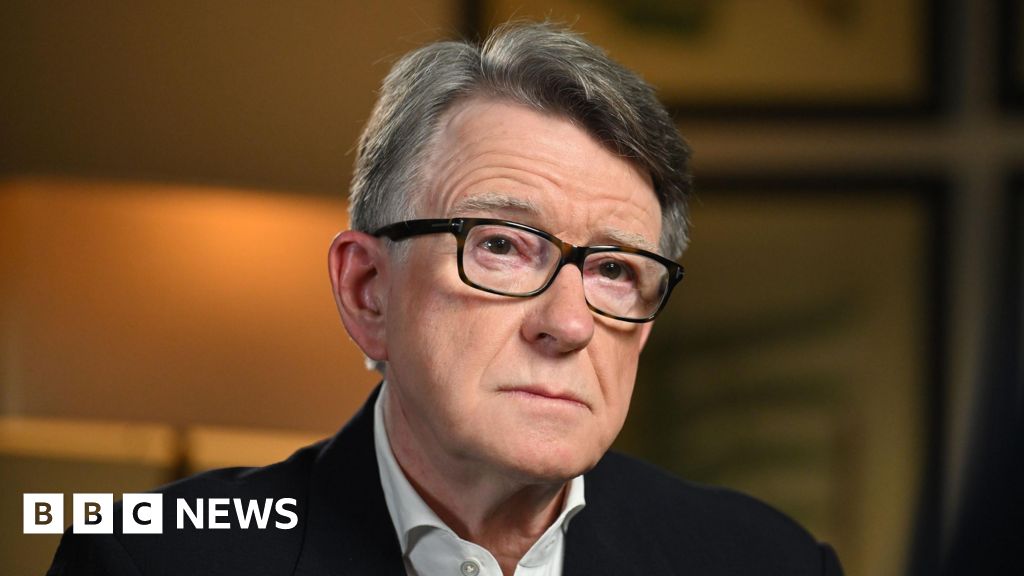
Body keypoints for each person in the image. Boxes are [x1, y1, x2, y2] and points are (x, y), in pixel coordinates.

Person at [48, 21, 843, 575]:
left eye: (613, 270)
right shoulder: (147, 560)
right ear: (367, 291)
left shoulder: (769, 562)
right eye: (501, 246)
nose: (568, 324)